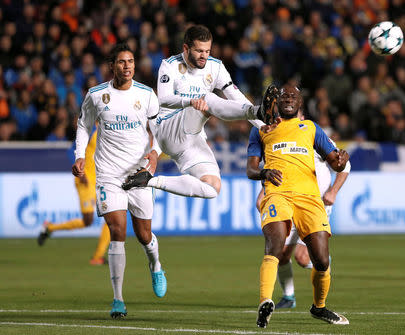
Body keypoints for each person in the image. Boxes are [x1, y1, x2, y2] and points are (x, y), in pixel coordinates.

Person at [121, 25, 277, 198]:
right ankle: (258, 111)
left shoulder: (215, 67)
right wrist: (190, 101)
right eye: (199, 51)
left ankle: (149, 181)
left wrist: (261, 125)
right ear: (186, 48)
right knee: (207, 98)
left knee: (212, 187)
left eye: (207, 51)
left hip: (192, 138)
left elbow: (236, 96)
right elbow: (163, 100)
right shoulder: (170, 65)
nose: (204, 56)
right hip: (168, 129)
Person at [72, 42, 166, 319]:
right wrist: (80, 156)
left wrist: (154, 153)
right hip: (109, 174)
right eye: (122, 62)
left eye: (131, 61)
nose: (127, 66)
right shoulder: (96, 95)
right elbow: (83, 126)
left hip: (139, 173)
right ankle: (118, 299)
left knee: (144, 235)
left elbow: (159, 131)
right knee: (117, 231)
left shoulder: (147, 95)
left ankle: (156, 264)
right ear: (112, 65)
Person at [246, 84, 350, 327]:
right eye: (284, 96)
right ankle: (265, 302)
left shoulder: (311, 128)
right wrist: (264, 172)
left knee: (321, 260)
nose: (289, 98)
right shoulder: (262, 130)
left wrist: (341, 159)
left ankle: (319, 307)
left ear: (300, 103)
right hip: (277, 194)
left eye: (294, 96)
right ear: (277, 102)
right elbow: (251, 169)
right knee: (275, 245)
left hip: (309, 199)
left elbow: (336, 162)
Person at [252, 131, 351, 309]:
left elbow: (346, 165)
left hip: (315, 204)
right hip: (289, 201)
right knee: (281, 255)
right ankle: (289, 297)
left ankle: (323, 263)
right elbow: (280, 171)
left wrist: (333, 192)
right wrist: (264, 194)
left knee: (303, 258)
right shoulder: (282, 141)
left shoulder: (313, 136)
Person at [37, 128, 111, 266]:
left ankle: (97, 257)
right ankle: (50, 228)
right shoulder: (91, 130)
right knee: (88, 220)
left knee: (111, 216)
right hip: (85, 180)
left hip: (101, 181)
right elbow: (71, 150)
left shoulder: (108, 128)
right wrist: (79, 170)